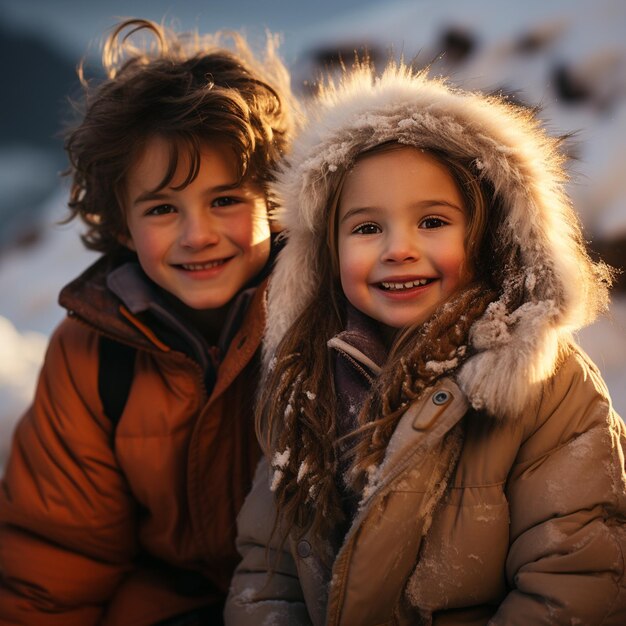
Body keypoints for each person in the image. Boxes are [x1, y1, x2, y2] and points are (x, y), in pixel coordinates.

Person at [225, 62, 626, 625]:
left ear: (485, 233)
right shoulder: (304, 380)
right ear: (324, 253)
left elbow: (572, 582)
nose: (399, 249)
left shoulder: (549, 389)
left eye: (432, 221)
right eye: (367, 228)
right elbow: (267, 572)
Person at [0, 17, 296, 626]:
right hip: (169, 604)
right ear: (121, 224)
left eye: (225, 199)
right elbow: (58, 553)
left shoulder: (324, 319)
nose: (198, 235)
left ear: (274, 198)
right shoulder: (91, 354)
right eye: (163, 208)